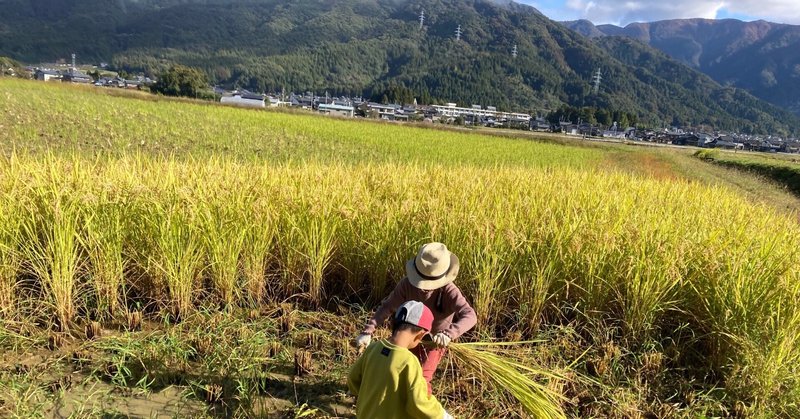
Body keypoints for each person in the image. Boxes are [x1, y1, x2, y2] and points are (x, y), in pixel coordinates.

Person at [355, 242, 477, 394]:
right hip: (409, 337)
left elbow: (470, 316)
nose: (423, 288)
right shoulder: (407, 285)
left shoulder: (449, 291)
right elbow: (387, 307)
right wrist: (368, 331)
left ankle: (423, 412)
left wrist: (448, 334)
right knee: (398, 370)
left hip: (433, 343)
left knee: (421, 380)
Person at [348, 300, 453, 419]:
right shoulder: (409, 362)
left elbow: (352, 379)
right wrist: (442, 415)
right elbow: (419, 403)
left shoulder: (373, 348)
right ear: (420, 334)